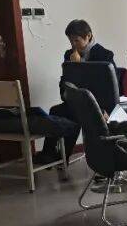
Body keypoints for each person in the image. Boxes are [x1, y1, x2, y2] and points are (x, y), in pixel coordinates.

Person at [35, 19, 114, 164]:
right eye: (70, 41)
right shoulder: (69, 55)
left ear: (88, 36)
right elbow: (64, 80)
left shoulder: (104, 55)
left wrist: (79, 66)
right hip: (77, 100)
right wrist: (65, 92)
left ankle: (63, 157)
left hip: (97, 103)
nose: (73, 45)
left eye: (76, 40)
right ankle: (48, 153)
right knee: (56, 111)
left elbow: (107, 87)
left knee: (76, 115)